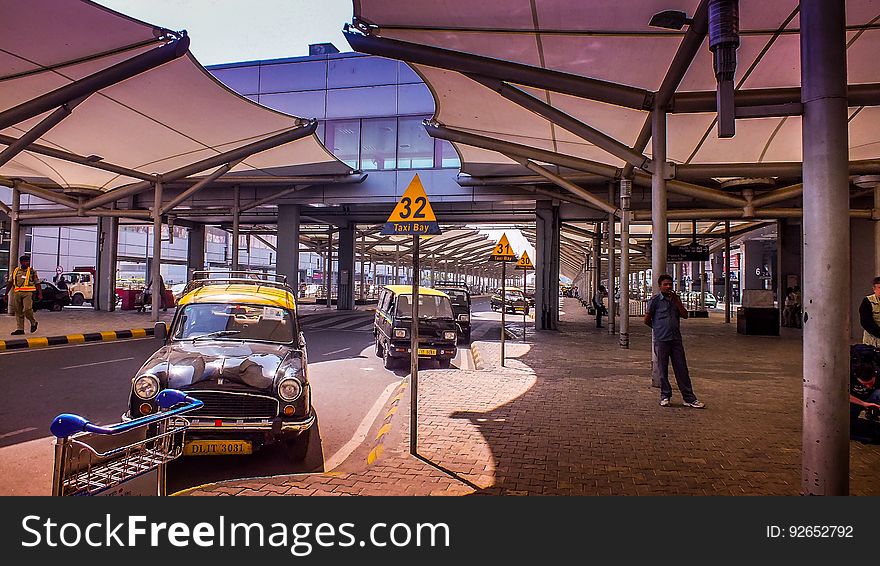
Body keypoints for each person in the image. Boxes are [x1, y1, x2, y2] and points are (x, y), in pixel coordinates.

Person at [644, 273, 705, 408]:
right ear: (660, 286)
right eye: (665, 284)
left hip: (676, 339)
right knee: (663, 369)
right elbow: (647, 320)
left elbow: (685, 315)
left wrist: (677, 301)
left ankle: (688, 397)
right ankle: (665, 395)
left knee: (681, 368)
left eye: (670, 284)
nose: (668, 287)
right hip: (662, 340)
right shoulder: (655, 301)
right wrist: (659, 329)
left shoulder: (675, 300)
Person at [4, 255, 42, 335]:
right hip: (17, 293)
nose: (27, 263)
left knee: (27, 309)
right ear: (21, 262)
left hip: (28, 293)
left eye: (28, 261)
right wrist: (6, 294)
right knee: (18, 311)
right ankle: (20, 329)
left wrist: (40, 294)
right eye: (25, 261)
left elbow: (37, 283)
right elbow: (10, 283)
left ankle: (33, 322)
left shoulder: (32, 271)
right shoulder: (16, 271)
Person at [850, 363, 880, 443]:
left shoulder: (878, 373)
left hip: (872, 397)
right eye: (864, 384)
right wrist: (863, 404)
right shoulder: (849, 375)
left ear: (875, 375)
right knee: (849, 422)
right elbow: (843, 395)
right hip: (856, 400)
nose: (868, 387)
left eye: (870, 383)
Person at [859, 276, 880, 347]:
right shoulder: (867, 301)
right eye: (879, 288)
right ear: (874, 289)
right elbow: (866, 322)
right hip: (872, 342)